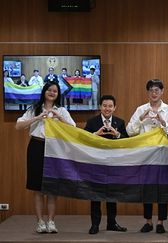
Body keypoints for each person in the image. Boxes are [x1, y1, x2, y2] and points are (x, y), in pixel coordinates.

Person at [15, 82, 76, 233]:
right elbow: (18, 126)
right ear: (44, 91)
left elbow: (74, 129)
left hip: (55, 149)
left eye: (55, 91)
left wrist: (59, 118)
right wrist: (36, 118)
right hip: (36, 147)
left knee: (52, 188)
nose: (52, 93)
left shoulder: (61, 110)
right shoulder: (34, 108)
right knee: (37, 188)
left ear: (58, 94)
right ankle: (40, 222)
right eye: (49, 90)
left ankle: (51, 222)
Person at [126, 79, 168, 234]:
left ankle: (161, 222)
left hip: (163, 156)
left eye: (157, 90)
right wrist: (141, 119)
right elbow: (129, 131)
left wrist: (162, 122)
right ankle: (148, 221)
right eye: (151, 90)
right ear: (147, 92)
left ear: (162, 91)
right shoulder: (140, 109)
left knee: (162, 188)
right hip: (146, 156)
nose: (154, 93)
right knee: (146, 189)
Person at [84, 95, 128, 235]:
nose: (107, 108)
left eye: (110, 106)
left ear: (114, 108)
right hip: (96, 163)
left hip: (114, 163)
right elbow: (83, 140)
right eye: (104, 106)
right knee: (95, 195)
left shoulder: (120, 122)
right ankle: (95, 224)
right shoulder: (92, 122)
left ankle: (111, 223)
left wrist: (117, 134)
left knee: (112, 194)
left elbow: (128, 141)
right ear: (100, 107)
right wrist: (95, 134)